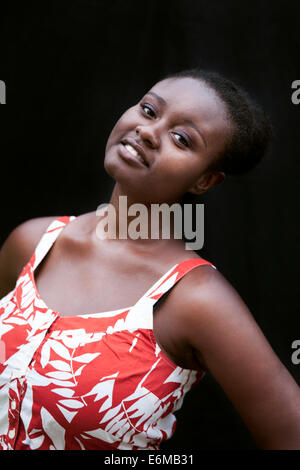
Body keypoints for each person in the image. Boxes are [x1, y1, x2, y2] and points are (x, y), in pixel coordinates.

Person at [0, 69, 299, 451]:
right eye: (148, 110)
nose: (146, 131)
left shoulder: (195, 299)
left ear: (205, 181)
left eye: (181, 138)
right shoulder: (32, 243)